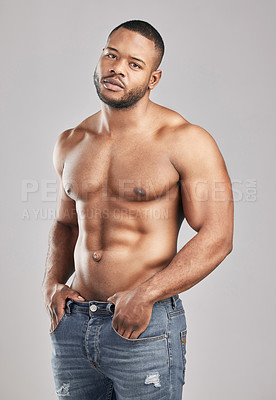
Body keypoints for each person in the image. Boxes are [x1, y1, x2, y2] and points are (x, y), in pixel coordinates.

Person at [42, 19, 233, 400]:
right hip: (74, 325)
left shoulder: (185, 140)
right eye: (111, 55)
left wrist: (146, 294)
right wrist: (51, 283)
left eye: (134, 63)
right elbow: (65, 224)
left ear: (153, 78)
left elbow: (218, 236)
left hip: (143, 325)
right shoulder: (71, 141)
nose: (117, 68)